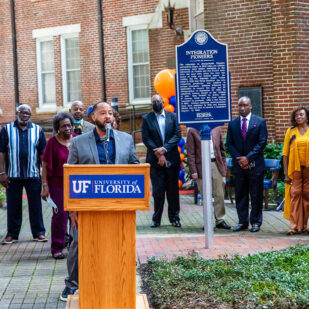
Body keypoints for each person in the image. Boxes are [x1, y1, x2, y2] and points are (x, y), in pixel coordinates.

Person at [60, 102, 139, 302]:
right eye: (103, 113)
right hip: (86, 206)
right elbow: (70, 175)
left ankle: (115, 285)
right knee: (78, 242)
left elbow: (136, 168)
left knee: (117, 243)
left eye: (110, 113)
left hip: (118, 206)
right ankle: (72, 285)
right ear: (93, 117)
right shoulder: (79, 142)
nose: (108, 117)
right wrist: (72, 209)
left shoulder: (127, 139)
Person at [0, 104, 47, 244]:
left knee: (36, 206)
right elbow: (1, 152)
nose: (24, 115)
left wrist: (44, 176)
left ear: (30, 115)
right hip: (12, 175)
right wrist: (1, 172)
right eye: (22, 112)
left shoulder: (38, 130)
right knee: (13, 206)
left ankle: (39, 233)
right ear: (17, 112)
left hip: (33, 175)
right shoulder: (6, 130)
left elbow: (42, 154)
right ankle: (12, 234)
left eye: (27, 113)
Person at [226, 96, 268, 233]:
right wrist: (240, 160)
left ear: (251, 106)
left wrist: (248, 159)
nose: (242, 108)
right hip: (239, 167)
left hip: (255, 166)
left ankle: (255, 222)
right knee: (241, 195)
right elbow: (229, 144)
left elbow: (261, 143)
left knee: (256, 196)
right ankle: (242, 222)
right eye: (240, 105)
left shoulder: (260, 122)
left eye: (245, 105)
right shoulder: (232, 124)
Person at [142, 94, 182, 228]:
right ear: (151, 104)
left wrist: (164, 150)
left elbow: (177, 135)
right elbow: (146, 138)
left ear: (163, 103)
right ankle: (156, 219)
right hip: (155, 161)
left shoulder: (173, 116)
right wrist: (159, 154)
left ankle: (174, 217)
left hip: (172, 159)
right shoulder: (147, 119)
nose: (157, 103)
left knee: (173, 191)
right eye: (154, 102)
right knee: (158, 192)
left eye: (158, 101)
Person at [41, 112, 77, 259]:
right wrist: (45, 186)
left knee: (76, 214)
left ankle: (74, 244)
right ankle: (57, 247)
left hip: (76, 183)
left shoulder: (77, 140)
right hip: (57, 184)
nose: (67, 128)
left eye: (69, 125)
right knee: (59, 215)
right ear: (58, 128)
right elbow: (44, 165)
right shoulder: (52, 142)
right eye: (63, 126)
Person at [187, 126, 231, 229]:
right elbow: (191, 153)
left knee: (219, 194)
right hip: (201, 166)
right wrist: (193, 170)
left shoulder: (217, 129)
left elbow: (222, 150)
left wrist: (223, 167)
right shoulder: (193, 131)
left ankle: (220, 220)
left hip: (216, 164)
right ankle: (207, 221)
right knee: (205, 195)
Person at [282, 106, 309, 235]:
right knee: (295, 195)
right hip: (295, 170)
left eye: (301, 115)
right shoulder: (291, 131)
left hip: (308, 170)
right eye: (296, 115)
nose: (299, 117)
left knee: (307, 196)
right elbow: (285, 154)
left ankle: (304, 226)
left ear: (307, 116)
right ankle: (293, 226)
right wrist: (286, 173)